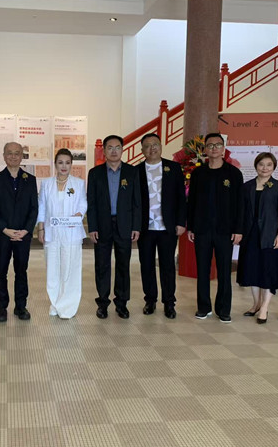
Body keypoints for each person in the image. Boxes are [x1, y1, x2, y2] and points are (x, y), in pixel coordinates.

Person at [187, 132, 243, 323]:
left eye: (218, 145)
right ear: (205, 149)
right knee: (202, 270)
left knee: (224, 271)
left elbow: (240, 204)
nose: (214, 148)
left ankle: (223, 309)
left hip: (225, 230)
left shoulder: (233, 173)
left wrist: (238, 229)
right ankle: (203, 307)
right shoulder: (198, 173)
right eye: (210, 145)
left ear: (223, 148)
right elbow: (192, 201)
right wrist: (191, 227)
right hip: (202, 229)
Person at [87, 135, 141, 319]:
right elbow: (91, 202)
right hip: (102, 225)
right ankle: (102, 303)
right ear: (104, 150)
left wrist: (136, 226)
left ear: (122, 149)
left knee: (123, 265)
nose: (114, 151)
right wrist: (92, 226)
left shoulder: (132, 172)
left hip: (124, 224)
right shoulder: (95, 173)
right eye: (109, 148)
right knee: (102, 265)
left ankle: (122, 303)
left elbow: (137, 202)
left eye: (117, 147)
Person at [136, 133, 186, 319]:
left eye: (155, 144)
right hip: (145, 228)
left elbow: (181, 197)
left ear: (161, 146)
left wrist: (181, 222)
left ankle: (169, 303)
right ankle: (150, 300)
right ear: (142, 150)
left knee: (167, 265)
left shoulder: (173, 168)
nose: (152, 148)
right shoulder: (136, 171)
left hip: (168, 227)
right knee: (146, 265)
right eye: (147, 146)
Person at [0, 142, 38, 322]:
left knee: (21, 271)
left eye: (17, 153)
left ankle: (21, 306)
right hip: (3, 235)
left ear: (22, 156)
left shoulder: (30, 179)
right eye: (10, 153)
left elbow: (34, 208)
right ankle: (1, 307)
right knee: (1, 271)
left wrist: (26, 230)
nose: (13, 156)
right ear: (4, 156)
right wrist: (5, 229)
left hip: (23, 235)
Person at [237, 152, 278, 324]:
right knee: (253, 270)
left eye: (269, 165)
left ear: (274, 167)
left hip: (270, 235)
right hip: (250, 235)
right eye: (261, 164)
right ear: (256, 166)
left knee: (268, 272)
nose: (264, 168)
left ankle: (264, 308)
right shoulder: (247, 187)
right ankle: (256, 304)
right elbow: (241, 212)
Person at [37, 148, 87, 319]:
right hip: (52, 232)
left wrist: (78, 216)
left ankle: (68, 305)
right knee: (52, 268)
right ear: (55, 164)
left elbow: (83, 204)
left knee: (70, 269)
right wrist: (41, 228)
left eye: (67, 163)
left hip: (71, 232)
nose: (64, 166)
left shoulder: (78, 184)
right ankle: (55, 303)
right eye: (60, 162)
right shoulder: (46, 184)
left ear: (71, 164)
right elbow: (42, 207)